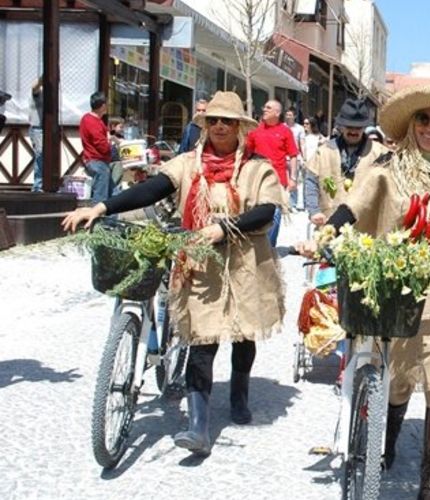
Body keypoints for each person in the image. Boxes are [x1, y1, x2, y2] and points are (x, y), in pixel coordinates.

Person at [61, 91, 285, 456]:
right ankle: (198, 427)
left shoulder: (256, 167)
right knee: (201, 340)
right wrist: (102, 206)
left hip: (245, 262)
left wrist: (224, 228)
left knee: (243, 335)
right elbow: (152, 189)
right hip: (198, 262)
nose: (219, 127)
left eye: (227, 121)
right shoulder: (187, 163)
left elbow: (266, 211)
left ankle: (239, 392)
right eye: (213, 120)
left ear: (240, 127)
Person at [296, 85, 430, 499]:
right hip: (396, 283)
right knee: (398, 379)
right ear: (411, 123)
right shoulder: (387, 166)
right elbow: (353, 206)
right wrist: (323, 235)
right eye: (423, 119)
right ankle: (387, 445)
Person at [303, 98, 389, 226]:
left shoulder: (381, 153)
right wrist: (314, 211)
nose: (354, 131)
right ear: (341, 126)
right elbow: (311, 181)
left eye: (358, 127)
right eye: (349, 126)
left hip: (365, 230)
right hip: (328, 226)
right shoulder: (323, 152)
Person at [246, 99, 298, 247]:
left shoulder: (285, 131)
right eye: (264, 107)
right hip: (256, 180)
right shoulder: (255, 130)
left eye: (268, 108)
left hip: (277, 181)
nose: (264, 109)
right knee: (256, 214)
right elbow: (247, 153)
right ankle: (258, 247)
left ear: (277, 112)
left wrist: (293, 178)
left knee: (274, 215)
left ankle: (269, 248)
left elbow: (293, 155)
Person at [80, 92, 113, 204]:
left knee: (112, 193)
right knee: (101, 196)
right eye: (106, 104)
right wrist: (111, 148)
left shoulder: (89, 119)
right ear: (103, 106)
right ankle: (98, 220)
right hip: (97, 161)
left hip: (96, 161)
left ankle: (109, 219)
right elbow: (101, 144)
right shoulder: (92, 121)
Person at [285, 107, 305, 212]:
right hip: (283, 158)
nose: (288, 117)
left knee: (293, 181)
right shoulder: (282, 127)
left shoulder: (299, 129)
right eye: (287, 114)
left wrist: (304, 158)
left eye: (290, 115)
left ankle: (293, 204)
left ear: (294, 116)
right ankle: (284, 203)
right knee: (284, 181)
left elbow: (302, 144)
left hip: (295, 158)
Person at [30, 76, 43, 192]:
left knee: (44, 157)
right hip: (38, 128)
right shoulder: (39, 92)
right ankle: (38, 186)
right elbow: (34, 87)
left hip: (46, 129)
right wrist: (42, 79)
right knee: (40, 156)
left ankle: (40, 184)